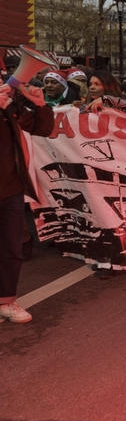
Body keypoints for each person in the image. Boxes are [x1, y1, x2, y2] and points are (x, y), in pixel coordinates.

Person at [1, 81, 55, 323]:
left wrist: (40, 104)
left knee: (11, 248)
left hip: (10, 186)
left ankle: (6, 301)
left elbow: (42, 128)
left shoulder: (9, 104)